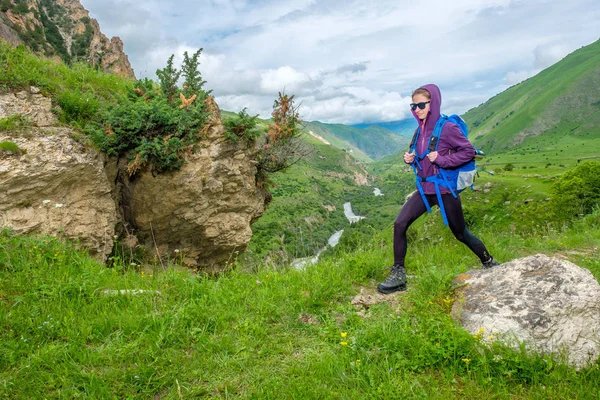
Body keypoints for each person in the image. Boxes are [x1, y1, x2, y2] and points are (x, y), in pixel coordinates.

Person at [377, 84, 499, 294]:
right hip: (425, 190)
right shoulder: (420, 130)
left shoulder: (448, 127)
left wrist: (442, 159)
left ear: (432, 103)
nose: (417, 109)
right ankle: (398, 274)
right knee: (400, 224)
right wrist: (411, 159)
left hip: (444, 190)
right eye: (413, 106)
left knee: (460, 233)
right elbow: (421, 157)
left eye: (421, 105)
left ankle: (488, 261)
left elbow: (468, 152)